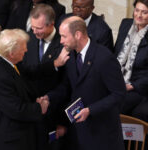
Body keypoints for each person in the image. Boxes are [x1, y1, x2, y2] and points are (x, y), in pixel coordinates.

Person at [40, 16, 126, 150]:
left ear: (78, 35)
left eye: (64, 36)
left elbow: (119, 94)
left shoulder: (104, 57)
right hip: (78, 132)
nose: (61, 41)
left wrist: (90, 110)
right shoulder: (71, 56)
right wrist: (49, 97)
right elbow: (67, 86)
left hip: (102, 133)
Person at [0, 29, 49, 150]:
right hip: (6, 141)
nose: (26, 50)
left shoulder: (1, 60)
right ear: (11, 53)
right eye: (23, 48)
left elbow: (25, 79)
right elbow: (16, 109)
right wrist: (40, 108)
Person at [20, 4, 68, 150]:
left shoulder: (63, 44)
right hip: (29, 109)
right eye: (33, 27)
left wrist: (48, 98)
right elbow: (26, 71)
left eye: (39, 28)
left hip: (53, 112)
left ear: (51, 24)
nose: (34, 31)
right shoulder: (28, 38)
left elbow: (67, 83)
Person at [114, 0, 148, 122]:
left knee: (113, 105)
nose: (139, 15)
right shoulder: (125, 24)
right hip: (117, 79)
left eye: (144, 12)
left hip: (137, 86)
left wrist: (131, 86)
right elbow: (115, 54)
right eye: (137, 10)